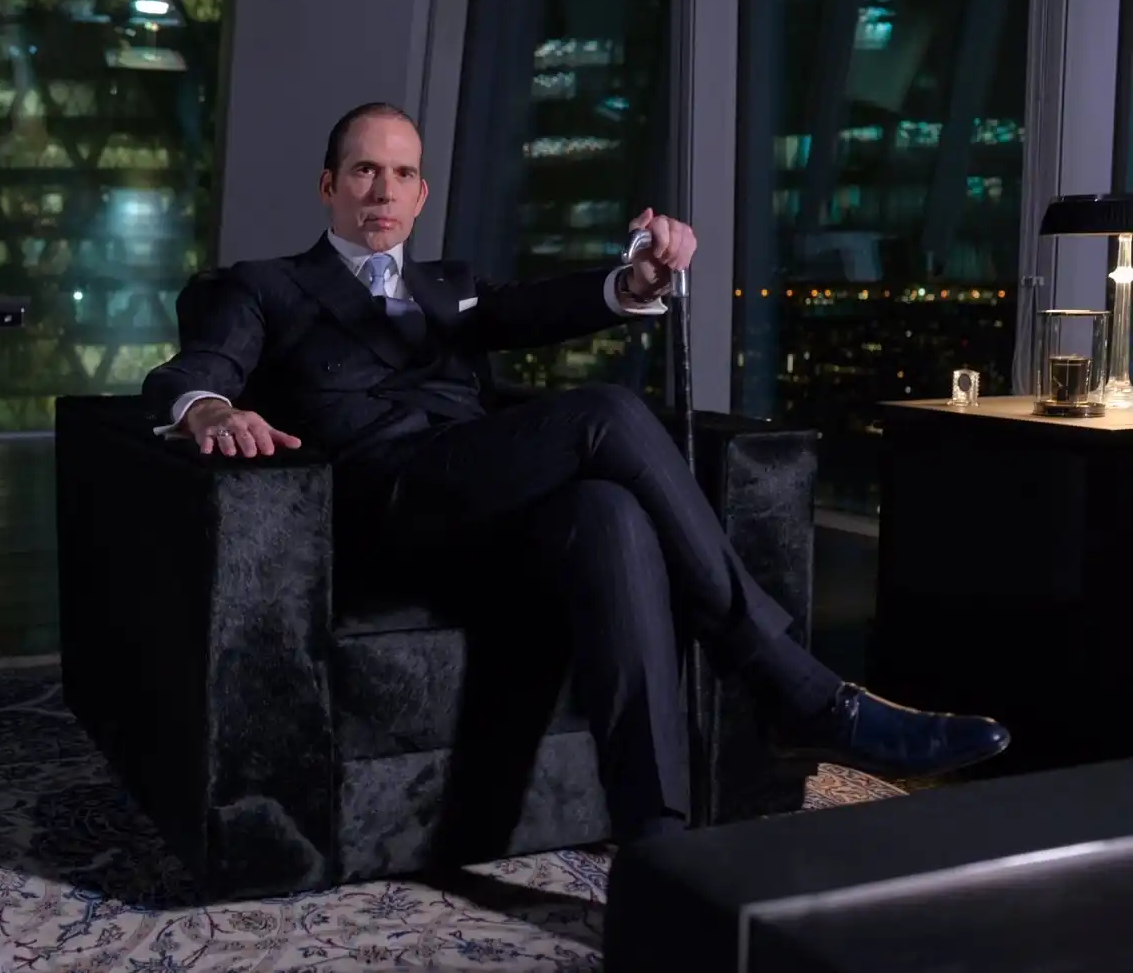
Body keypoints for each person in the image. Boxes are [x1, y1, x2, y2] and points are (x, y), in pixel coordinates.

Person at [143, 101, 1009, 842]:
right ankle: (794, 687)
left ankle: (657, 842)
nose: (383, 190)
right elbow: (196, 367)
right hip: (380, 510)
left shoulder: (451, 287)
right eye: (364, 171)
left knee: (607, 515)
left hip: (481, 516)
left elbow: (542, 305)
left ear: (421, 193)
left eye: (401, 174)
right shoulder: (266, 285)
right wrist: (211, 408)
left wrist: (634, 279)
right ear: (329, 185)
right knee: (604, 411)